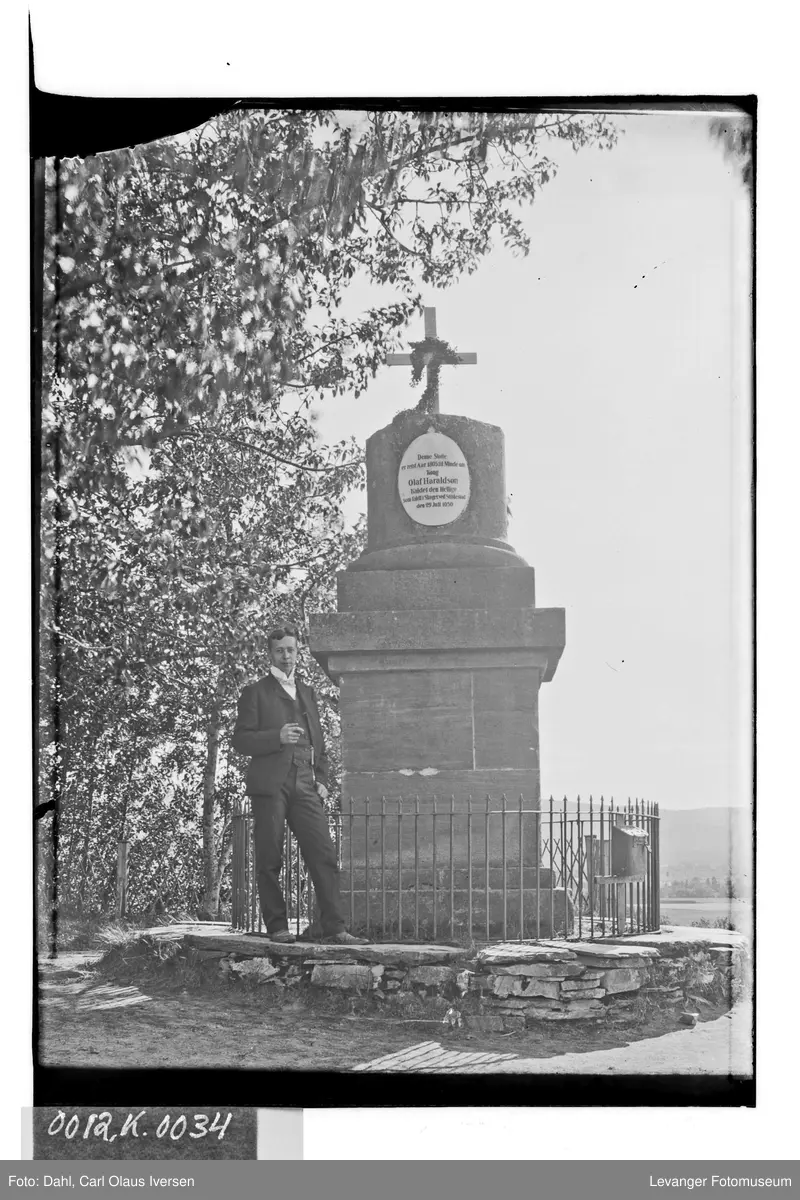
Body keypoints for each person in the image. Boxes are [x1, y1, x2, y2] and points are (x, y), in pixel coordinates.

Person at [232, 623, 368, 945]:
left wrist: (321, 778)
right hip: (271, 785)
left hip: (305, 784)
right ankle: (277, 926)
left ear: (298, 652)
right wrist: (275, 737)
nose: (286, 656)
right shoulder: (255, 693)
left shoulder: (307, 692)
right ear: (270, 654)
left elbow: (319, 742)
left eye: (291, 650)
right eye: (279, 650)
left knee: (324, 854)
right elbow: (240, 740)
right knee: (270, 858)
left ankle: (334, 928)